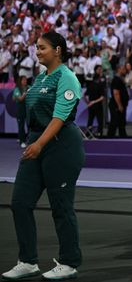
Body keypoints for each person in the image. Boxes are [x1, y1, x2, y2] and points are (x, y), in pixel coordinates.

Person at [3, 31, 84, 281]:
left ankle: (69, 262)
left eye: (42, 48)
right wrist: (34, 142)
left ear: (58, 50)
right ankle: (28, 261)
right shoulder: (39, 78)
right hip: (36, 142)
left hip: (61, 146)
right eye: (36, 48)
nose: (37, 52)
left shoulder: (67, 78)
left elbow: (59, 118)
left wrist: (39, 144)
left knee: (61, 206)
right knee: (20, 203)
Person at [107, 64, 129, 138]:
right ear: (119, 69)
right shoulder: (116, 80)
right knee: (115, 121)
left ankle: (123, 137)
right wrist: (119, 105)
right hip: (116, 105)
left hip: (121, 104)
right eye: (123, 69)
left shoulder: (120, 79)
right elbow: (116, 93)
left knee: (121, 122)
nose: (125, 70)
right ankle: (109, 138)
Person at [84, 65, 105, 138]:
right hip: (96, 105)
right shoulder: (98, 84)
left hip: (93, 105)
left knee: (92, 120)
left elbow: (84, 95)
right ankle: (98, 134)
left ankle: (89, 134)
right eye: (99, 69)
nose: (100, 71)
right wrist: (90, 102)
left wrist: (89, 102)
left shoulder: (92, 83)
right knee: (97, 120)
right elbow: (102, 97)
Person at [12, 76, 29, 148]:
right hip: (20, 109)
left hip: (28, 109)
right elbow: (20, 99)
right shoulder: (17, 89)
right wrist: (26, 93)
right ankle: (22, 141)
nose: (25, 81)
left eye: (26, 80)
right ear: (20, 81)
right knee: (21, 125)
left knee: (30, 125)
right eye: (24, 80)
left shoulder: (29, 87)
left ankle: (30, 140)